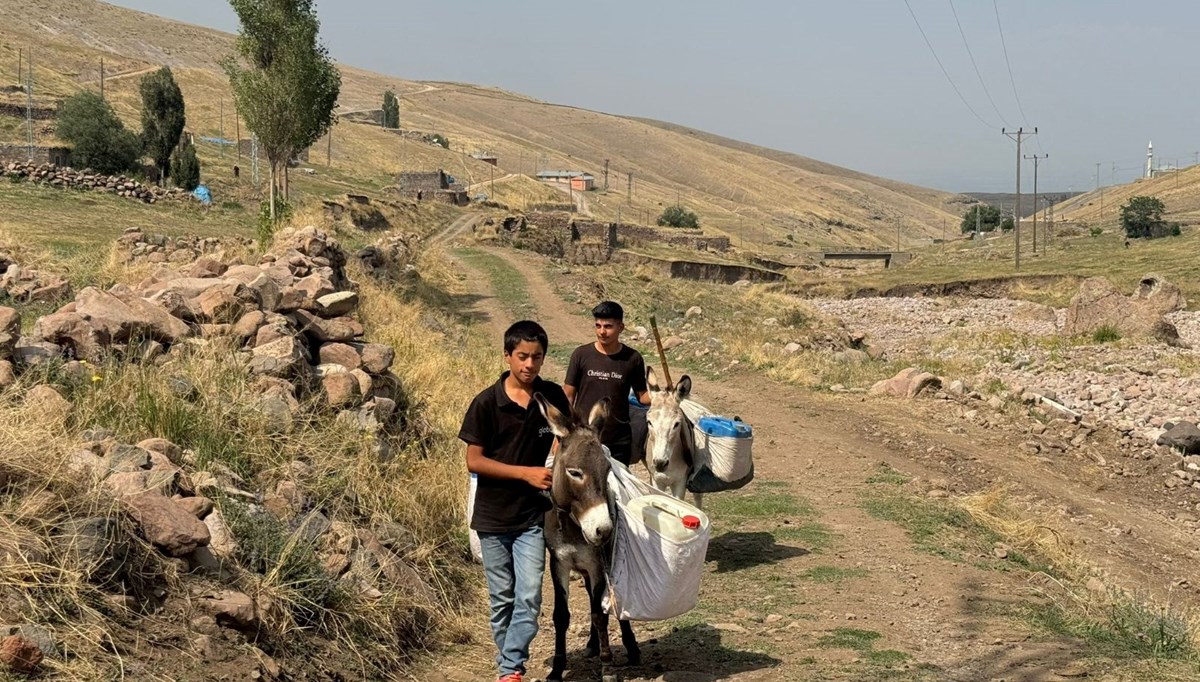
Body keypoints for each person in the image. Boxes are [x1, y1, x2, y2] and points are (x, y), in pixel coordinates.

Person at [459, 320, 569, 682]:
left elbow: (568, 438)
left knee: (530, 597)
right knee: (502, 598)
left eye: (536, 357)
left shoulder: (551, 397)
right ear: (507, 356)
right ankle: (512, 666)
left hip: (531, 517)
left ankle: (509, 668)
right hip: (492, 518)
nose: (529, 365)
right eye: (522, 356)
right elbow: (474, 460)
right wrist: (526, 473)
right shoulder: (487, 403)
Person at [564, 301, 651, 465]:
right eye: (598, 326)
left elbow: (642, 396)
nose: (602, 332)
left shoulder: (633, 358)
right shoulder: (581, 355)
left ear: (621, 327)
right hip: (584, 439)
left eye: (608, 326)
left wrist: (665, 396)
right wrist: (562, 435)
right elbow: (568, 396)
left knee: (616, 489)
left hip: (618, 442)